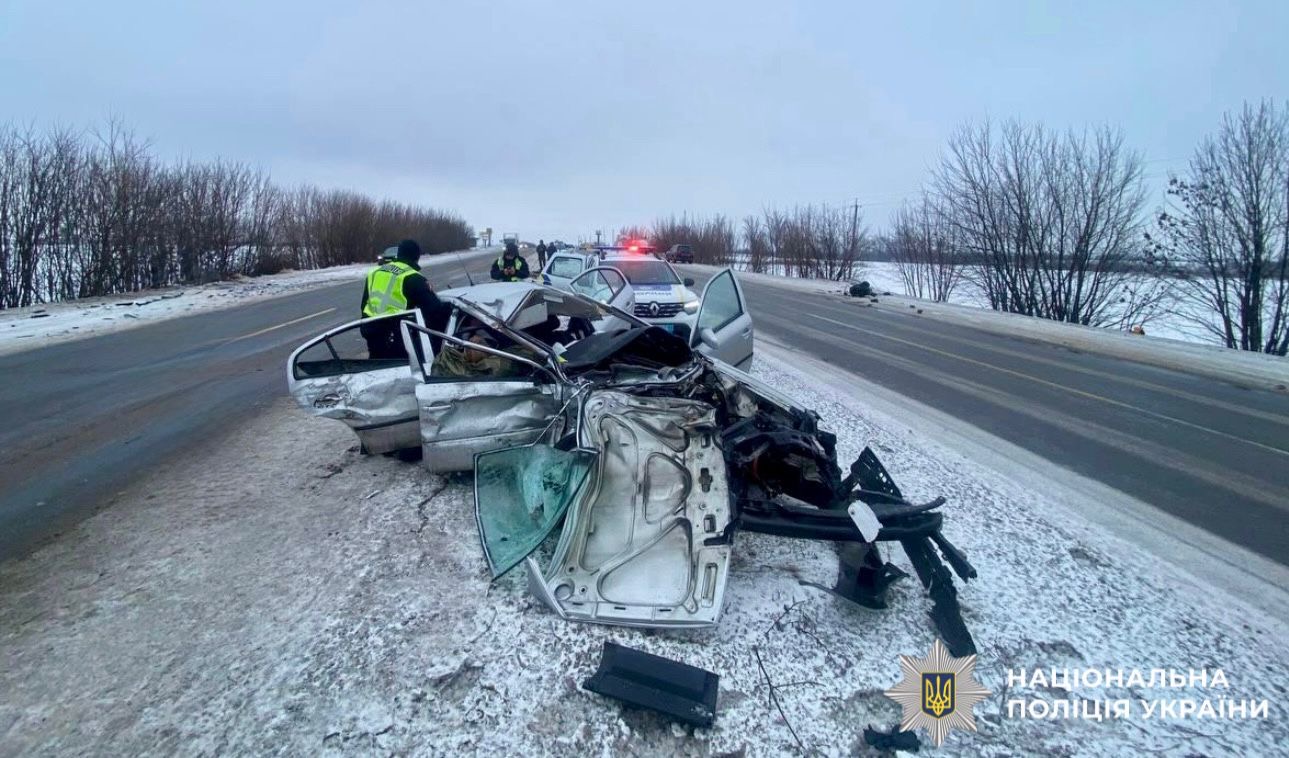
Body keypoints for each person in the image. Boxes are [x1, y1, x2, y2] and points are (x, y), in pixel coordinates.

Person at [359, 239, 451, 358]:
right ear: (416, 257)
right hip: (397, 339)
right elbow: (435, 310)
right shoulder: (413, 277)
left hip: (372, 334)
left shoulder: (375, 272)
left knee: (376, 368)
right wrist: (449, 308)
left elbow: (364, 304)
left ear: (399, 254)